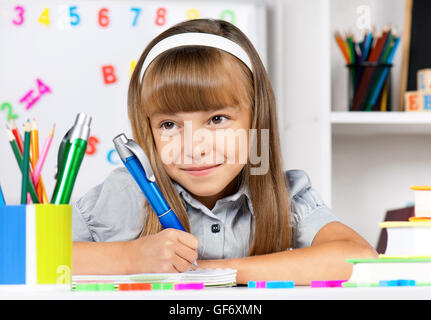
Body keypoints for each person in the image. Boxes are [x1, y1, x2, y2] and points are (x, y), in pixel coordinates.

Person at [72, 18, 377, 285]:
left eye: (217, 119)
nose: (194, 148)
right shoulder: (127, 192)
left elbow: (358, 258)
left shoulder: (288, 195)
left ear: (255, 120)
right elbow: (28, 258)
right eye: (168, 124)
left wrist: (213, 272)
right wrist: (130, 258)